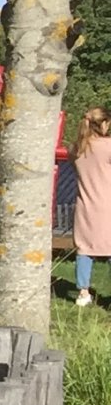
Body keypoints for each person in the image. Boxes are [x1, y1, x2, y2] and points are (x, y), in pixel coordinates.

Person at [75, 106, 111, 305]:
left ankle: (83, 293)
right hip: (107, 204)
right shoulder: (107, 146)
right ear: (104, 124)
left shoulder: (78, 147)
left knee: (84, 249)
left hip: (85, 205)